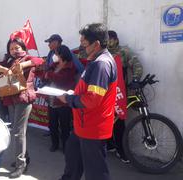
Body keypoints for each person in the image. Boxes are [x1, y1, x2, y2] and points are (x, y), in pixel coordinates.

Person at [58, 23, 117, 180]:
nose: (81, 48)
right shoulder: (95, 60)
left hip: (92, 127)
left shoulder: (101, 64)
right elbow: (89, 91)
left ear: (96, 44)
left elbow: (92, 100)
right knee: (72, 160)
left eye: (84, 44)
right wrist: (74, 93)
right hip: (82, 125)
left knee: (95, 172)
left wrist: (69, 98)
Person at [0, 38, 44, 178]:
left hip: (23, 97)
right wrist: (3, 69)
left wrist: (23, 65)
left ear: (23, 47)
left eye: (17, 47)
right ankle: (24, 158)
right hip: (10, 97)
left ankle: (20, 165)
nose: (14, 51)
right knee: (17, 131)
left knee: (18, 132)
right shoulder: (9, 61)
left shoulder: (27, 58)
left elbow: (40, 61)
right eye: (11, 49)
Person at [106, 30, 144, 163]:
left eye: (110, 39)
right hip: (104, 92)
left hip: (119, 93)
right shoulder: (103, 53)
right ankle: (109, 145)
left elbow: (137, 65)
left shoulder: (124, 51)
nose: (108, 41)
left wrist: (135, 79)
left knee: (119, 123)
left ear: (116, 39)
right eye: (106, 39)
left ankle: (121, 151)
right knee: (106, 120)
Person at [36, 45, 77, 152]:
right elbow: (44, 74)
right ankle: (54, 144)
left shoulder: (71, 66)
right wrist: (46, 72)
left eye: (57, 53)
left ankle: (65, 146)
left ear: (62, 54)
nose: (54, 55)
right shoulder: (54, 65)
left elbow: (62, 79)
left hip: (63, 101)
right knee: (52, 125)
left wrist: (48, 74)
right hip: (51, 99)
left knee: (65, 126)